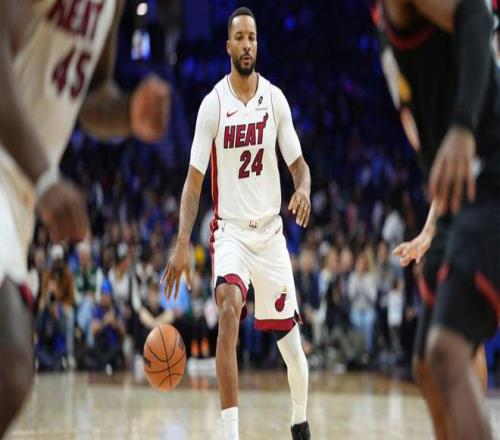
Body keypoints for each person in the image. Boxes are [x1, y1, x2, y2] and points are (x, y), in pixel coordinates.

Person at [0, 0, 170, 435]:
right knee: (10, 360)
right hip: (10, 170)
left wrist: (128, 112)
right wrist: (44, 177)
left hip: (19, 195)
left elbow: (93, 95)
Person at [161, 7, 311, 440]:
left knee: (294, 355)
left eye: (252, 38)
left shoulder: (275, 100)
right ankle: (231, 435)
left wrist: (303, 189)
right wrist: (182, 242)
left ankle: (299, 421)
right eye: (239, 38)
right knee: (228, 310)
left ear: (257, 45)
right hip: (230, 234)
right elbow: (193, 183)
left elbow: (300, 167)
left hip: (271, 236)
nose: (247, 44)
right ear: (228, 46)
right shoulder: (213, 105)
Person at [374, 0, 500, 438]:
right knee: (427, 365)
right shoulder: (383, 17)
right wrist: (430, 227)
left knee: (447, 350)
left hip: (490, 174)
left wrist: (464, 126)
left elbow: (476, 14)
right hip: (459, 198)